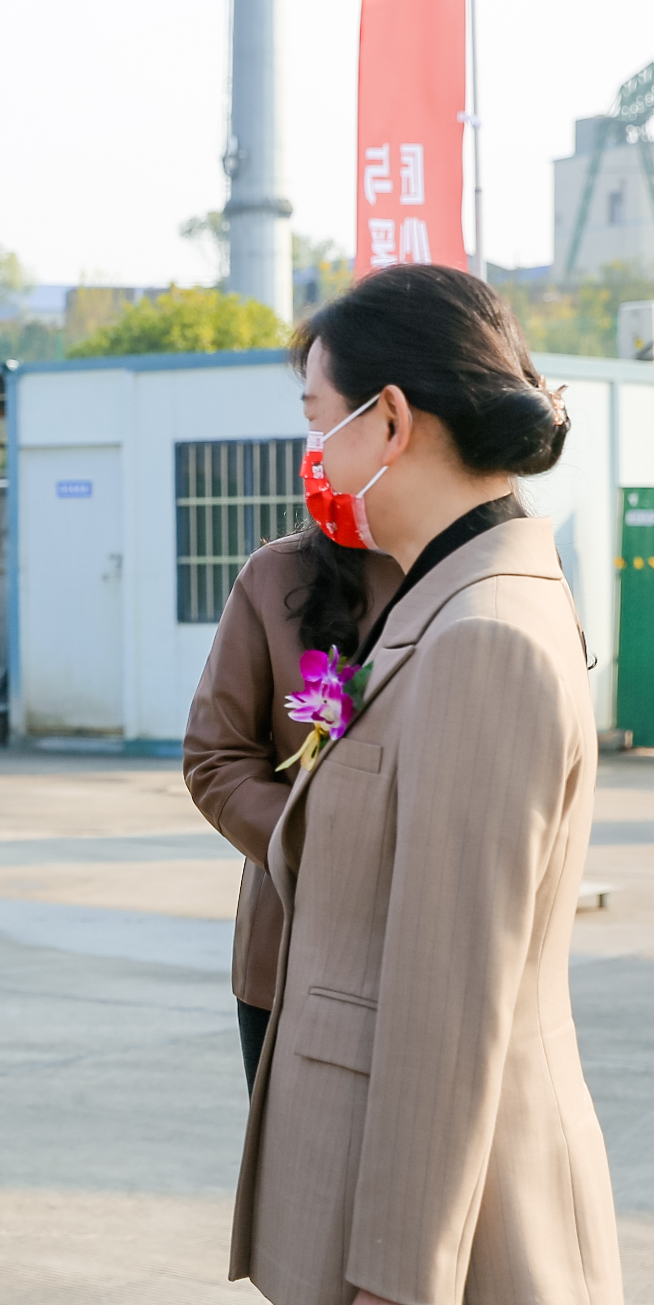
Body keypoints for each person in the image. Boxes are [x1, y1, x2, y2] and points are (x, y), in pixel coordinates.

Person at [230, 264, 623, 1305]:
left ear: (391, 420)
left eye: (320, 419)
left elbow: (448, 1002)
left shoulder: (480, 637)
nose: (316, 453)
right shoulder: (444, 602)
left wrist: (401, 1278)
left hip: (448, 1243)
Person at [184, 526, 400, 1092]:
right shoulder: (279, 574)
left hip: (454, 958)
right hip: (295, 952)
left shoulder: (499, 572)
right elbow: (218, 758)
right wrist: (334, 850)